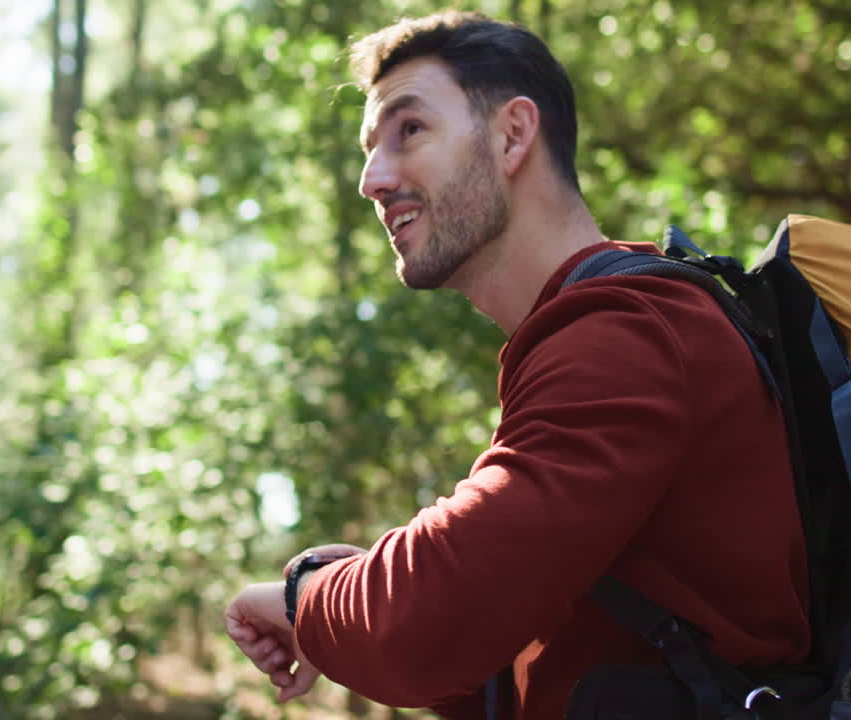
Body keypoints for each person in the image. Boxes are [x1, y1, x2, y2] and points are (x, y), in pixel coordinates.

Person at [224, 11, 810, 719]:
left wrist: (303, 602)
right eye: (369, 147)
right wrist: (347, 595)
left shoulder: (628, 333)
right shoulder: (602, 329)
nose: (371, 180)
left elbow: (430, 626)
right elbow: (525, 662)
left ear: (512, 134)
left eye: (409, 130)